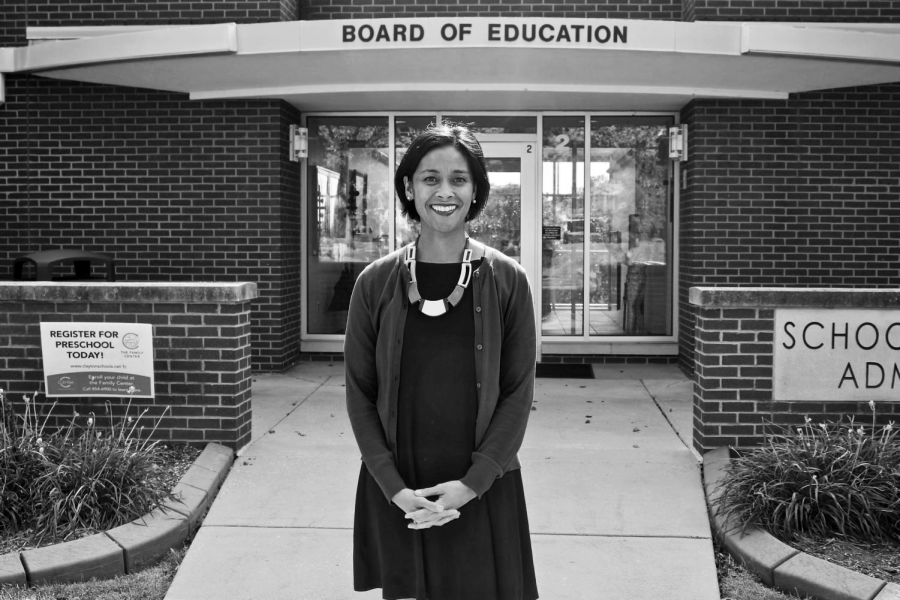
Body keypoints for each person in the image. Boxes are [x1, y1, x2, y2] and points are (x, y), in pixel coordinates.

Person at [345, 123, 539, 600]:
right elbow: (359, 393)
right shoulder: (374, 283)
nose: (444, 192)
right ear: (409, 187)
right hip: (400, 483)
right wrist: (393, 487)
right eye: (430, 178)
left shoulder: (508, 280)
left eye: (459, 179)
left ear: (476, 190)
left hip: (482, 482)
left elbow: (518, 392)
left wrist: (472, 484)